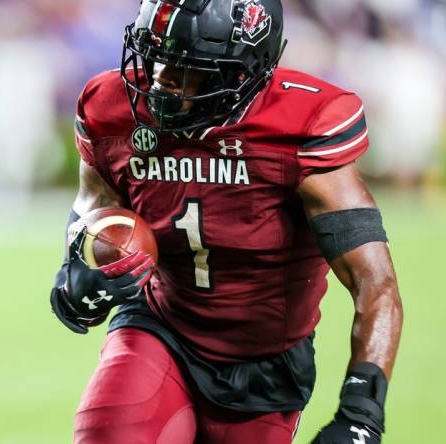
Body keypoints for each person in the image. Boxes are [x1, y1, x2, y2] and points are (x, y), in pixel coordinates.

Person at [49, 0, 403, 443]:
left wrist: (361, 412)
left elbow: (375, 283)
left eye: (184, 68)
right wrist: (73, 273)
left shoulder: (302, 125)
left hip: (266, 362)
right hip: (160, 326)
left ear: (240, 71)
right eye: (156, 57)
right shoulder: (113, 108)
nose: (159, 82)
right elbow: (93, 206)